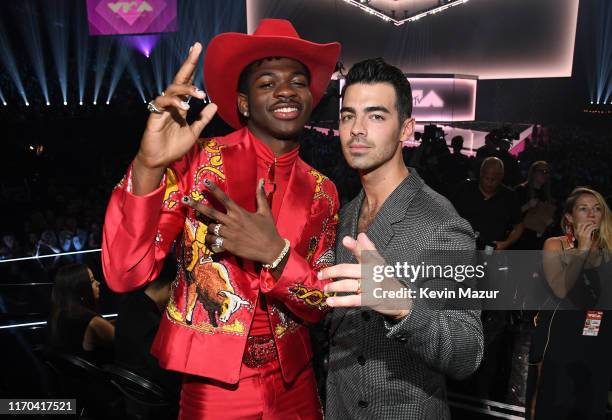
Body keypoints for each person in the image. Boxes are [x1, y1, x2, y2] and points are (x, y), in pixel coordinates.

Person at [102, 19, 340, 419]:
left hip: (295, 385)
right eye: (266, 83)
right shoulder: (198, 163)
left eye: (298, 81)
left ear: (311, 98)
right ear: (243, 103)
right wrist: (147, 167)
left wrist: (275, 255)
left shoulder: (323, 191)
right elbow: (125, 273)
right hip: (213, 388)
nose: (285, 90)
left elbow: (320, 304)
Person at [319, 58, 484, 419]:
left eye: (376, 116)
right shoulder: (346, 214)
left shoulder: (441, 223)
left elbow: (469, 351)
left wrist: (404, 307)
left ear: (406, 129)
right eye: (348, 116)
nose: (357, 129)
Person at [527, 187, 612, 420]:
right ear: (569, 217)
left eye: (597, 209)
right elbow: (560, 288)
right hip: (561, 336)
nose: (592, 214)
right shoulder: (556, 245)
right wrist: (582, 249)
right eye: (583, 209)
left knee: (591, 405)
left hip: (598, 338)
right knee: (554, 403)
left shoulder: (608, 250)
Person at [114, 259, 182, 399]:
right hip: (150, 399)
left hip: (129, 392)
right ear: (171, 286)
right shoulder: (150, 322)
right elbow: (170, 378)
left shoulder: (129, 303)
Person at [48, 264, 114, 364]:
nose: (98, 283)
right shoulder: (93, 321)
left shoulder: (57, 316)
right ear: (80, 289)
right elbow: (124, 343)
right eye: (92, 281)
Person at [453, 157, 523, 250]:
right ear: (481, 174)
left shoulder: (509, 196)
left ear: (501, 177)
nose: (489, 183)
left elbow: (518, 225)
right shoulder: (465, 189)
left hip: (491, 252)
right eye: (487, 178)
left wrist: (506, 243)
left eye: (494, 179)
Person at [513, 161, 555, 250]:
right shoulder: (521, 190)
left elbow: (552, 222)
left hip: (538, 240)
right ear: (533, 173)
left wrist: (550, 222)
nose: (545, 174)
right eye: (541, 171)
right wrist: (527, 206)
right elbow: (510, 214)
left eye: (547, 172)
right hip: (521, 239)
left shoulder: (546, 194)